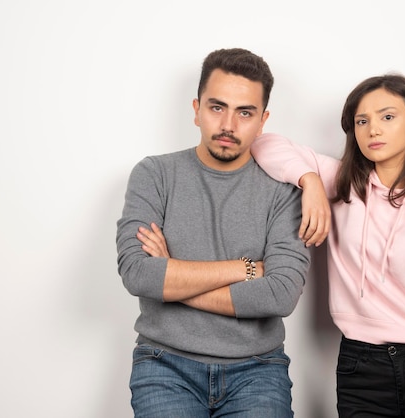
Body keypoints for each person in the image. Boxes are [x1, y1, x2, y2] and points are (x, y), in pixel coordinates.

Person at [251, 74, 405, 418]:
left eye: (387, 117)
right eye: (362, 121)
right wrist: (311, 181)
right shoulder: (342, 185)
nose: (373, 129)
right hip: (361, 366)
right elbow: (264, 143)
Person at [115, 48, 311, 418]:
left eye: (245, 112)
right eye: (217, 107)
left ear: (263, 119)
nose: (228, 125)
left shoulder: (284, 192)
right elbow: (138, 274)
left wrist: (171, 277)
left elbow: (281, 295)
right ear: (196, 109)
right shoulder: (154, 174)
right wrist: (247, 269)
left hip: (258, 369)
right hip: (164, 363)